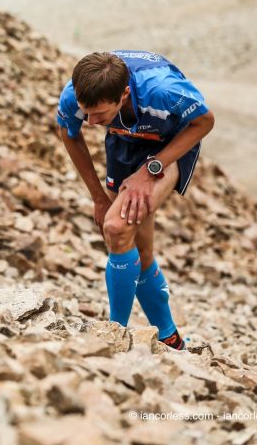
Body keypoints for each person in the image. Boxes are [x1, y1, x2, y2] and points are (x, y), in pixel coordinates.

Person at [55, 50, 215, 350]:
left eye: (98, 114)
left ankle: (114, 335)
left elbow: (204, 121)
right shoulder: (75, 96)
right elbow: (69, 133)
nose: (90, 121)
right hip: (124, 139)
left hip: (169, 143)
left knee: (116, 228)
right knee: (132, 246)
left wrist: (151, 170)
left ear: (125, 93)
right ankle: (169, 337)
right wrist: (99, 198)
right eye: (85, 111)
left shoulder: (164, 91)